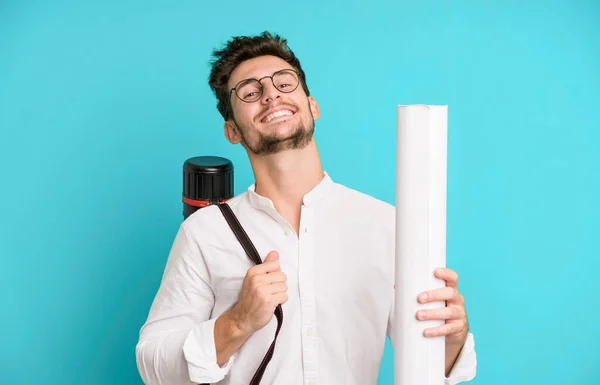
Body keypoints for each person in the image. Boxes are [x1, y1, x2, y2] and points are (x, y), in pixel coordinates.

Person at [135, 31, 477, 385]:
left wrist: (451, 341)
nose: (271, 95)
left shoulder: (386, 224)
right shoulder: (205, 232)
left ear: (312, 106)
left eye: (284, 83)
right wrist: (238, 322)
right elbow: (152, 365)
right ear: (232, 131)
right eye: (251, 93)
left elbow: (427, 367)